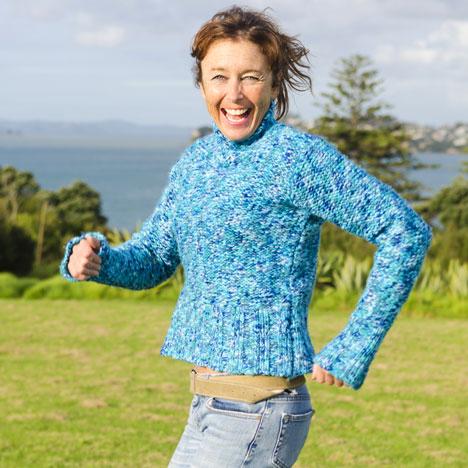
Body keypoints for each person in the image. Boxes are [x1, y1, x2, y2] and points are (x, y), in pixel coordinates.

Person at [60, 5, 432, 467]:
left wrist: (355, 345)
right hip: (209, 402)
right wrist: (100, 260)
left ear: (274, 84)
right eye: (219, 77)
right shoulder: (196, 162)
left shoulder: (297, 158)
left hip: (258, 409)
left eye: (250, 77)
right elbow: (154, 257)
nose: (234, 94)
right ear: (201, 84)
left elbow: (404, 230)